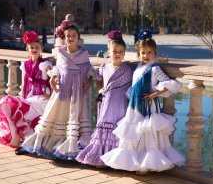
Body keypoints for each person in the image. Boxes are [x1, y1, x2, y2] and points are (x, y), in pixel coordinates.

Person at [101, 28, 185, 173]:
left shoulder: (154, 68)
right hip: (134, 106)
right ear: (138, 54)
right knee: (134, 133)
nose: (145, 56)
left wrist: (155, 94)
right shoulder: (138, 67)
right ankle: (134, 162)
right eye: (142, 53)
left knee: (147, 134)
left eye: (149, 53)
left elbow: (170, 84)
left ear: (155, 54)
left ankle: (147, 165)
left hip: (148, 107)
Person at [21, 20, 93, 160]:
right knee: (53, 116)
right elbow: (56, 73)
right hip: (62, 91)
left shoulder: (83, 54)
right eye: (68, 36)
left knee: (72, 117)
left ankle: (71, 148)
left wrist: (88, 84)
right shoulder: (60, 53)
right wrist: (54, 86)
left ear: (78, 38)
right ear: (64, 38)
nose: (71, 38)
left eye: (73, 35)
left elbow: (88, 72)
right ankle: (42, 145)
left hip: (77, 93)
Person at [76, 30, 132, 167]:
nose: (117, 54)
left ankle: (116, 159)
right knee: (103, 127)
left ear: (124, 53)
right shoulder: (104, 67)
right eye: (114, 51)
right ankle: (99, 157)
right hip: (106, 102)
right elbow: (99, 81)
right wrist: (100, 88)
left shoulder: (127, 70)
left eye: (120, 51)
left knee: (116, 127)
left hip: (119, 104)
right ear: (109, 52)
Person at [0, 31, 52, 149]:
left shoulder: (44, 63)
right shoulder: (25, 65)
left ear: (41, 49)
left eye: (37, 47)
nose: (34, 49)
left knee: (27, 114)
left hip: (42, 97)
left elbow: (52, 76)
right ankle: (15, 135)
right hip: (30, 97)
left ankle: (26, 139)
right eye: (32, 47)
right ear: (28, 49)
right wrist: (22, 99)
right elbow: (24, 84)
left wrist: (51, 95)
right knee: (8, 104)